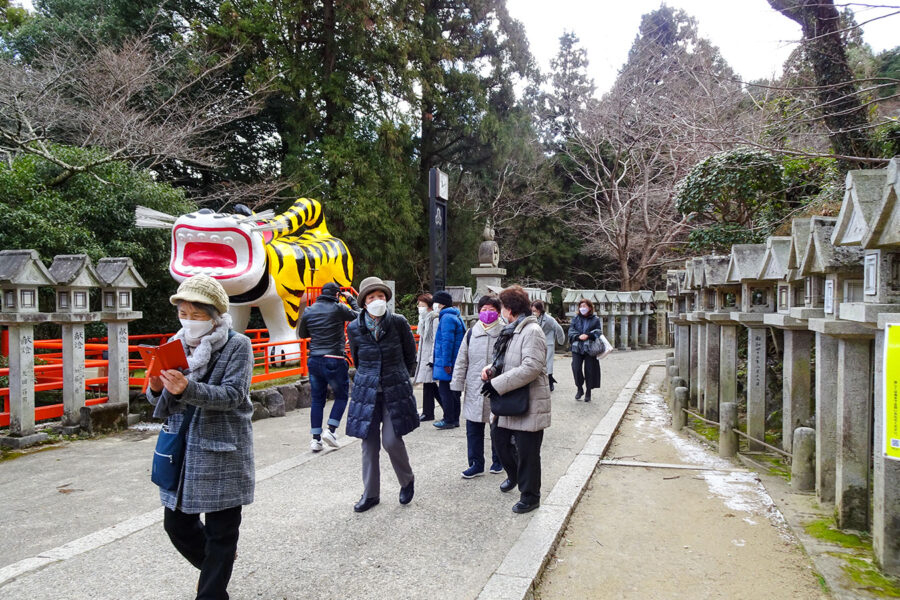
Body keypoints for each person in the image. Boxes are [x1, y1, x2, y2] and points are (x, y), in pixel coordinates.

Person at [146, 274, 254, 600]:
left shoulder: (238, 345)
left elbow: (233, 394)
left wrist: (188, 387)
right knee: (176, 526)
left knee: (222, 532)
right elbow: (161, 402)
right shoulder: (174, 346)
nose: (189, 321)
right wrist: (155, 388)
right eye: (184, 314)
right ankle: (218, 565)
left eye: (197, 315)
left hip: (223, 448)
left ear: (215, 315)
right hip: (182, 448)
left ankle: (211, 591)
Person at [346, 276, 419, 512]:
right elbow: (356, 358)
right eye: (371, 297)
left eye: (380, 296)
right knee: (368, 445)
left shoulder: (398, 322)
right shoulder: (354, 326)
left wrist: (400, 376)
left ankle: (407, 480)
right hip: (366, 391)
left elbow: (410, 354)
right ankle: (370, 494)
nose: (377, 300)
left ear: (386, 299)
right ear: (364, 302)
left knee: (391, 440)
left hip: (393, 388)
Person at [481, 285, 550, 514]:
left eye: (501, 307)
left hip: (528, 401)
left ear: (509, 309)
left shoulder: (532, 331)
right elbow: (506, 359)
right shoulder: (512, 329)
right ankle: (514, 475)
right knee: (499, 440)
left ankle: (530, 496)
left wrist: (497, 384)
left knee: (528, 452)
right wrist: (491, 369)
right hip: (510, 398)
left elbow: (532, 366)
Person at [298, 282, 359, 452]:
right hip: (334, 358)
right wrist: (351, 301)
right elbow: (360, 316)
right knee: (341, 396)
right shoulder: (338, 307)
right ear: (337, 295)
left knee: (317, 399)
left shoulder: (309, 310)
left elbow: (303, 334)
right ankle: (331, 431)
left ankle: (316, 439)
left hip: (315, 359)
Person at [450, 295, 504, 478]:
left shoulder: (505, 332)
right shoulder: (472, 332)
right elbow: (461, 360)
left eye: (491, 310)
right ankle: (475, 463)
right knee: (473, 428)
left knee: (497, 426)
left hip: (497, 387)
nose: (487, 313)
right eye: (483, 310)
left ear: (498, 312)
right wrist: (456, 384)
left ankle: (499, 461)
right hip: (474, 386)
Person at [431, 289, 466, 429]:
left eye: (436, 303)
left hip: (448, 361)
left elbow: (447, 342)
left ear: (441, 304)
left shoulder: (446, 318)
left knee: (446, 391)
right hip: (455, 360)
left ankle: (449, 419)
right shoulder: (455, 316)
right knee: (454, 392)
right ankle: (453, 418)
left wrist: (445, 362)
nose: (434, 305)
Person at [412, 293, 441, 422]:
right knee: (430, 385)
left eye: (421, 304)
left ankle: (428, 412)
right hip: (424, 356)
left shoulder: (434, 319)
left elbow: (435, 340)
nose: (419, 306)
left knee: (429, 385)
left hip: (429, 356)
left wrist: (431, 358)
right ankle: (446, 408)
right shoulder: (423, 319)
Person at [567, 298, 603, 402]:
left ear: (590, 308)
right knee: (576, 368)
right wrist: (578, 336)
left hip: (590, 348)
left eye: (585, 306)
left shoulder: (595, 319)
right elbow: (571, 331)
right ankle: (579, 387)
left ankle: (588, 391)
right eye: (581, 306)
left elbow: (598, 332)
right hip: (577, 347)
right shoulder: (575, 319)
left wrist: (588, 335)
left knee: (590, 369)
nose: (582, 308)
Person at [531, 301, 565, 392]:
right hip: (537, 342)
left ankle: (550, 380)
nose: (534, 312)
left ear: (540, 310)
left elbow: (558, 329)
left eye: (535, 310)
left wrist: (561, 341)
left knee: (548, 362)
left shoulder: (549, 319)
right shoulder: (531, 318)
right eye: (532, 310)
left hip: (548, 341)